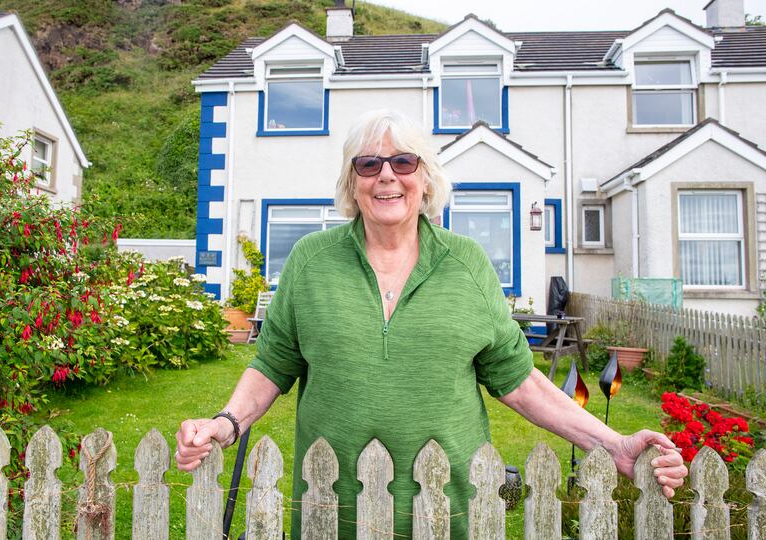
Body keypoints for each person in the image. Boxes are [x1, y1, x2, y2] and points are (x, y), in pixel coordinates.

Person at [176, 110, 687, 538]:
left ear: (425, 179)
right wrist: (225, 424)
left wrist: (614, 446)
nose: (386, 175)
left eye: (403, 161)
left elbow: (519, 381)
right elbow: (273, 365)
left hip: (446, 514)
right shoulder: (312, 261)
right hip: (330, 514)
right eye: (369, 163)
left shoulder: (466, 265)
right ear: (352, 183)